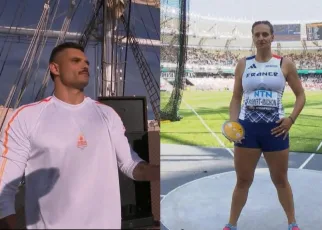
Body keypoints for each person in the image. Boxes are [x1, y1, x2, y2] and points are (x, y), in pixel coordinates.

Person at [0, 42, 160, 229]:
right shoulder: (26, 117)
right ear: (55, 68)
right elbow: (5, 186)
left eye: (86, 62)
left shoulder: (107, 115)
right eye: (76, 61)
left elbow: (131, 165)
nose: (85, 65)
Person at [223, 21, 306, 230]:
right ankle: (231, 224)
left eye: (265, 34)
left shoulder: (284, 63)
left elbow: (300, 95)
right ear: (253, 37)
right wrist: (233, 124)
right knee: (242, 181)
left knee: (280, 180)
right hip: (247, 130)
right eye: (257, 34)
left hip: (276, 130)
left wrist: (291, 119)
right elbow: (235, 98)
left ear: (272, 37)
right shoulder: (243, 64)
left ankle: (292, 223)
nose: (261, 38)